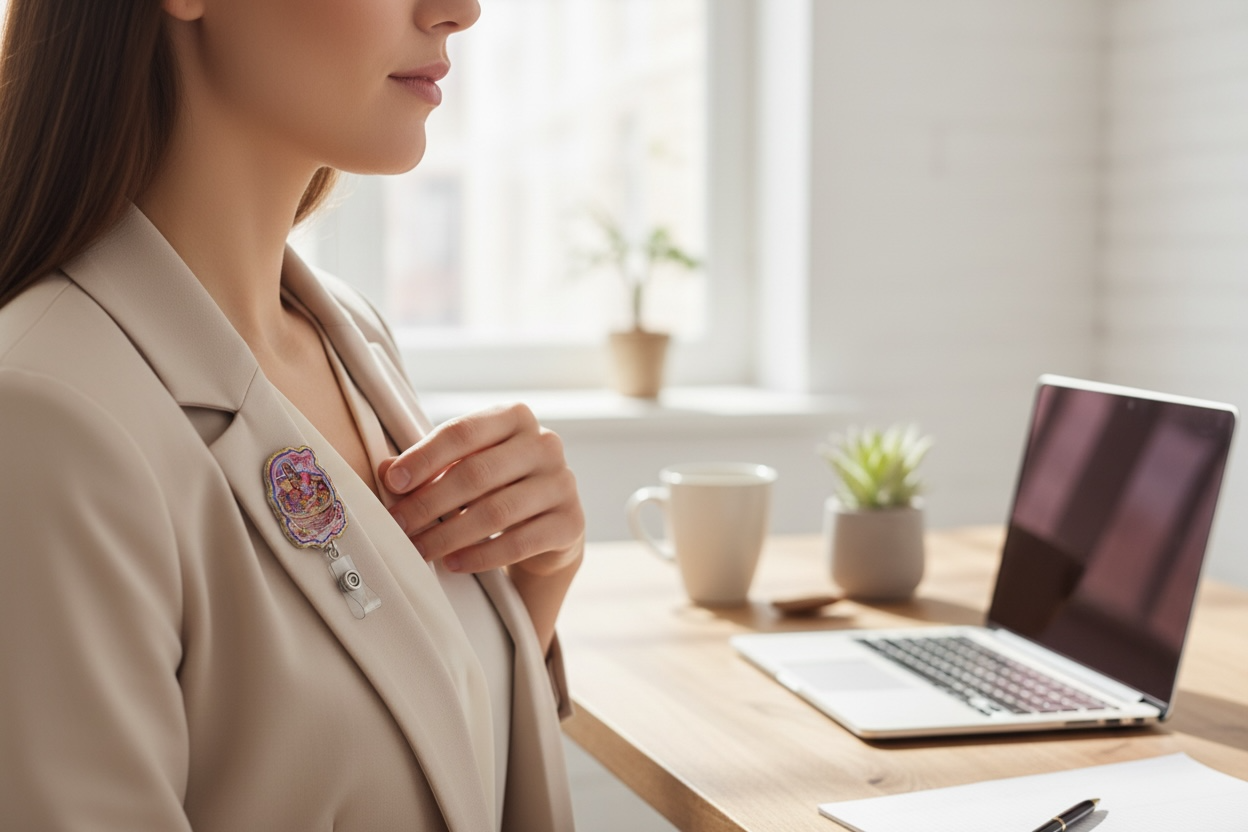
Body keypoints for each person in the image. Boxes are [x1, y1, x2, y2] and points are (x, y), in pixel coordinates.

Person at [0, 1, 585, 830]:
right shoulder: (43, 424)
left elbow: (406, 746)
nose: (460, 10)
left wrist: (527, 593)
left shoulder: (350, 339)